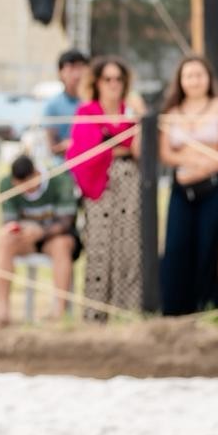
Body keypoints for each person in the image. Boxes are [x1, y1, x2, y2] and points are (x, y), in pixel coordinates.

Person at [158, 55, 218, 315]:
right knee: (178, 245)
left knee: (209, 243)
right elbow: (166, 153)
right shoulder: (171, 112)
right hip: (182, 188)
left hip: (215, 186)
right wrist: (191, 162)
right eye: (189, 75)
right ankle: (177, 308)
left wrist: (204, 168)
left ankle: (208, 305)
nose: (194, 80)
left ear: (208, 78)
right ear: (180, 80)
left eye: (199, 75)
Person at [67, 56, 141, 321]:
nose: (113, 84)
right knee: (99, 248)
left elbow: (138, 150)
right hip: (98, 185)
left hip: (129, 185)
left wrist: (138, 119)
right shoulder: (87, 112)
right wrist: (114, 145)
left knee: (129, 248)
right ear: (97, 82)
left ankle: (127, 312)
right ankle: (95, 314)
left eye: (118, 79)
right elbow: (83, 150)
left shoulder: (130, 113)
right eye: (107, 78)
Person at [0, 155, 78, 326]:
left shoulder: (60, 180)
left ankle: (59, 312)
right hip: (25, 237)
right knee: (4, 241)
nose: (25, 190)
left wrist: (41, 232)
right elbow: (8, 221)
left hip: (54, 238)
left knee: (61, 244)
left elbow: (66, 222)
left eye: (28, 185)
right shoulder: (6, 184)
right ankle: (2, 313)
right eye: (20, 187)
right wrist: (19, 229)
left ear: (36, 174)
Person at [43, 49, 88, 157]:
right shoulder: (52, 105)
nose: (77, 74)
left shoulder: (94, 102)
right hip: (63, 167)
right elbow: (53, 146)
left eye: (80, 67)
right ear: (60, 73)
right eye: (71, 68)